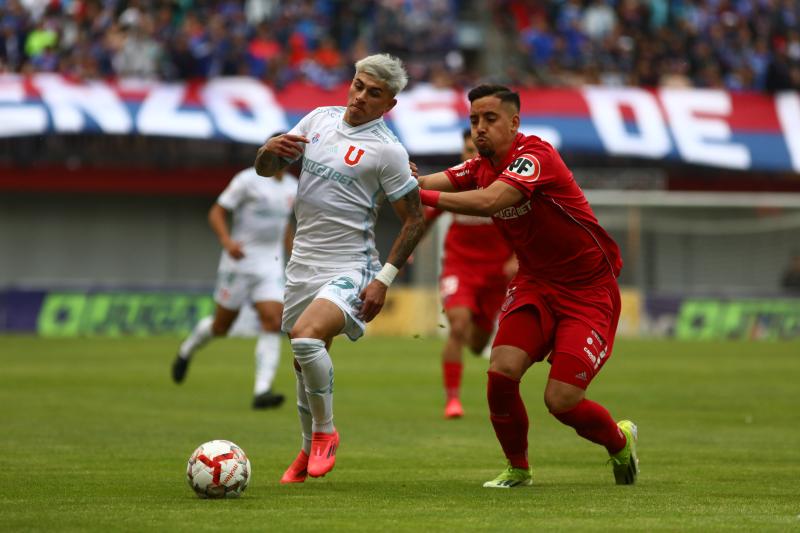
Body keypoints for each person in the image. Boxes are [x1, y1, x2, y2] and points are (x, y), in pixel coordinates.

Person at [416, 84, 638, 488]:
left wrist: (420, 192)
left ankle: (619, 441)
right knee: (500, 372)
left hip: (588, 291)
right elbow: (431, 179)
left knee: (561, 401)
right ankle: (518, 467)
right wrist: (392, 177)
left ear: (515, 122)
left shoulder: (536, 157)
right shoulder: (478, 166)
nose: (479, 129)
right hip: (536, 283)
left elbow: (489, 201)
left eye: (490, 119)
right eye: (474, 120)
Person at [253, 53, 425, 483]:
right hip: (302, 265)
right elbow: (265, 169)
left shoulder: (388, 150)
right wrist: (267, 151)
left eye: (374, 93)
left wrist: (384, 279)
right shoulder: (316, 120)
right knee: (303, 359)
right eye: (358, 86)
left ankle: (326, 434)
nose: (361, 97)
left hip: (351, 265)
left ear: (390, 104)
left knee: (306, 337)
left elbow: (415, 218)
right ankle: (305, 447)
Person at [171, 159, 297, 410]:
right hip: (238, 261)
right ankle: (187, 350)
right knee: (221, 325)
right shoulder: (246, 180)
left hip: (270, 263)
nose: (282, 159)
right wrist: (227, 242)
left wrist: (295, 254)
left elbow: (284, 226)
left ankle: (262, 390)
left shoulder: (293, 186)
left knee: (273, 321)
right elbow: (216, 212)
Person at [424, 128, 517, 419]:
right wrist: (405, 252)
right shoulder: (455, 184)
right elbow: (425, 217)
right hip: (459, 266)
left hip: (495, 274)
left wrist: (516, 258)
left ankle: (478, 344)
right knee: (458, 325)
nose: (471, 155)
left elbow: (524, 224)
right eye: (467, 150)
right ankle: (453, 400)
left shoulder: (503, 185)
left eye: (475, 150)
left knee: (478, 341)